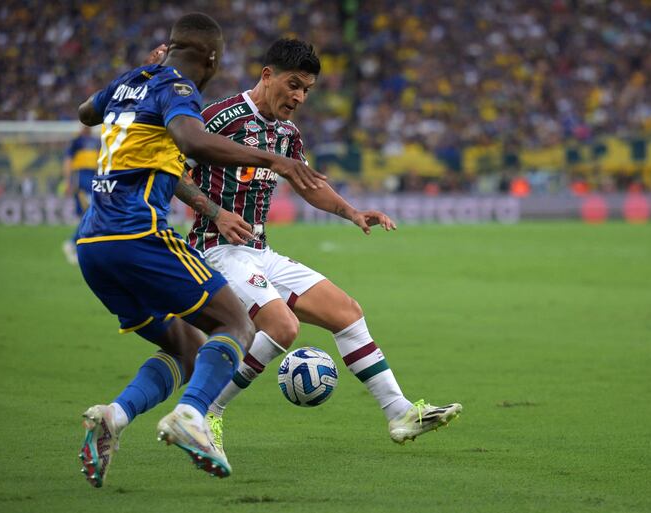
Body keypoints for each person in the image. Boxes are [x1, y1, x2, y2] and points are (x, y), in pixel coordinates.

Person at [74, 15, 326, 487]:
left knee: (187, 345)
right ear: (210, 59)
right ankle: (192, 414)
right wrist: (275, 159)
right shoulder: (179, 88)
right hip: (139, 235)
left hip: (93, 245)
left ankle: (113, 416)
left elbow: (87, 112)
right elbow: (193, 141)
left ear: (167, 48)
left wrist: (140, 75)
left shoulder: (134, 80)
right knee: (236, 324)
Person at [180, 39, 463, 455]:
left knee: (347, 314)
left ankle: (399, 412)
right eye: (293, 84)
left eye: (307, 89)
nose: (298, 96)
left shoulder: (288, 134)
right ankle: (208, 413)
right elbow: (170, 174)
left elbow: (308, 186)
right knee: (282, 327)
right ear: (267, 75)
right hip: (217, 249)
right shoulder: (220, 118)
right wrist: (215, 211)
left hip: (259, 251)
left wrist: (352, 212)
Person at [61, 125, 99, 264]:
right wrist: (68, 181)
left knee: (91, 213)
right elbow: (68, 161)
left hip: (93, 179)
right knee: (91, 211)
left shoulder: (97, 141)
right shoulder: (76, 141)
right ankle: (73, 243)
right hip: (82, 180)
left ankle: (75, 244)